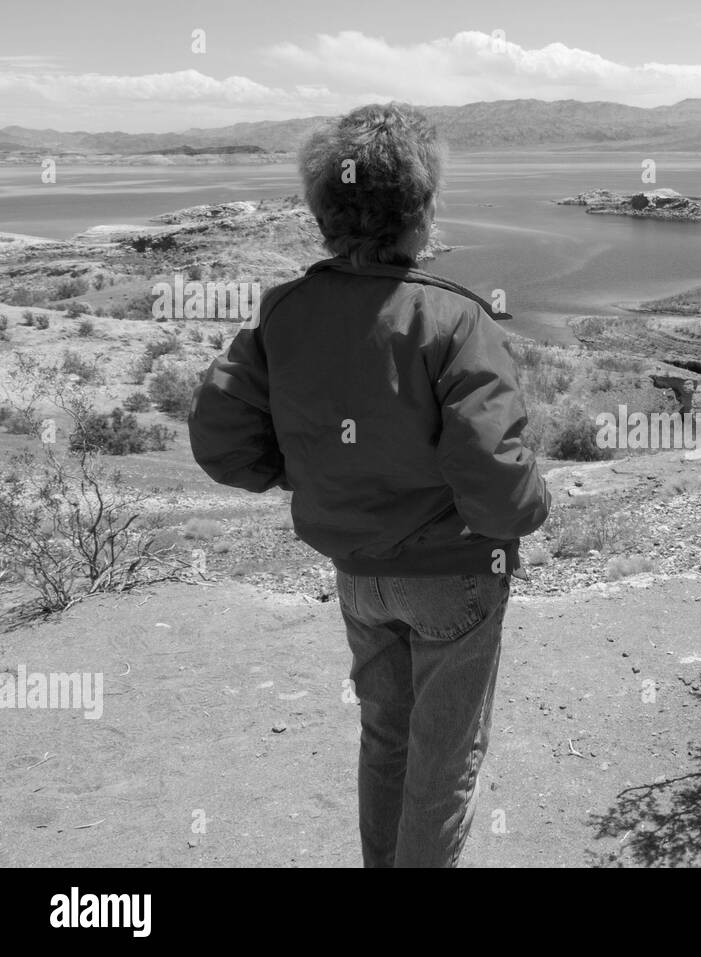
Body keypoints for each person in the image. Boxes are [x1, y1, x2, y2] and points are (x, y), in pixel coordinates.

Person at [188, 102, 550, 867]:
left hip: (358, 576)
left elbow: (222, 438)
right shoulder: (452, 318)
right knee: (443, 766)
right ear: (419, 212)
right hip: (455, 576)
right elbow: (501, 491)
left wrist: (308, 469)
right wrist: (535, 505)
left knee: (385, 738)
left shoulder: (284, 312)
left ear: (325, 210)